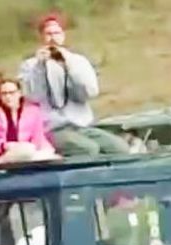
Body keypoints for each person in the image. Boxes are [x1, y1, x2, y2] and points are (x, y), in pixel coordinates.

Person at [18, 12, 130, 157]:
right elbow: (32, 97)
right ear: (41, 37)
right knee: (87, 149)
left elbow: (90, 92)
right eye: (48, 33)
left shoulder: (78, 61)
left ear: (63, 35)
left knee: (119, 148)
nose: (52, 37)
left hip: (81, 125)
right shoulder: (29, 65)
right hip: (51, 128)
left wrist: (69, 66)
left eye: (56, 33)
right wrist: (40, 68)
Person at [0, 75, 59, 162]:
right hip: (6, 153)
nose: (8, 97)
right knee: (26, 150)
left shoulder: (33, 112)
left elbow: (38, 137)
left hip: (30, 153)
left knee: (48, 154)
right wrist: (4, 145)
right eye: (4, 94)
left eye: (11, 93)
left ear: (19, 93)